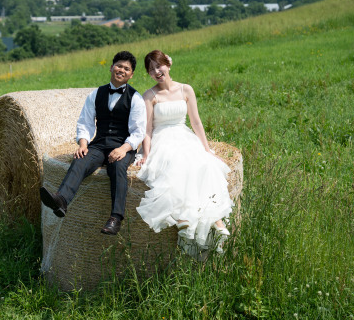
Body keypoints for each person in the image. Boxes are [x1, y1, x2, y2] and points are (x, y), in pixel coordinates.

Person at [135, 49, 233, 253]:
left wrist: (207, 149)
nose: (156, 71)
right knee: (176, 163)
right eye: (151, 69)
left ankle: (216, 221)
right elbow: (147, 129)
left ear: (168, 65)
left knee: (204, 164)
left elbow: (196, 122)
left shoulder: (185, 90)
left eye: (158, 66)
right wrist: (145, 154)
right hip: (163, 139)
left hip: (184, 135)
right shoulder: (149, 95)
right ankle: (184, 219)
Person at [40, 51, 147, 235]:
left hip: (123, 146)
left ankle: (116, 218)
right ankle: (61, 200)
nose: (121, 69)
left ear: (131, 74)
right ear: (111, 67)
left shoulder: (136, 98)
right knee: (81, 159)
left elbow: (138, 131)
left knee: (118, 166)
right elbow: (85, 122)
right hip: (99, 144)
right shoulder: (96, 94)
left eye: (126, 68)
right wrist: (83, 143)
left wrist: (123, 149)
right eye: (119, 65)